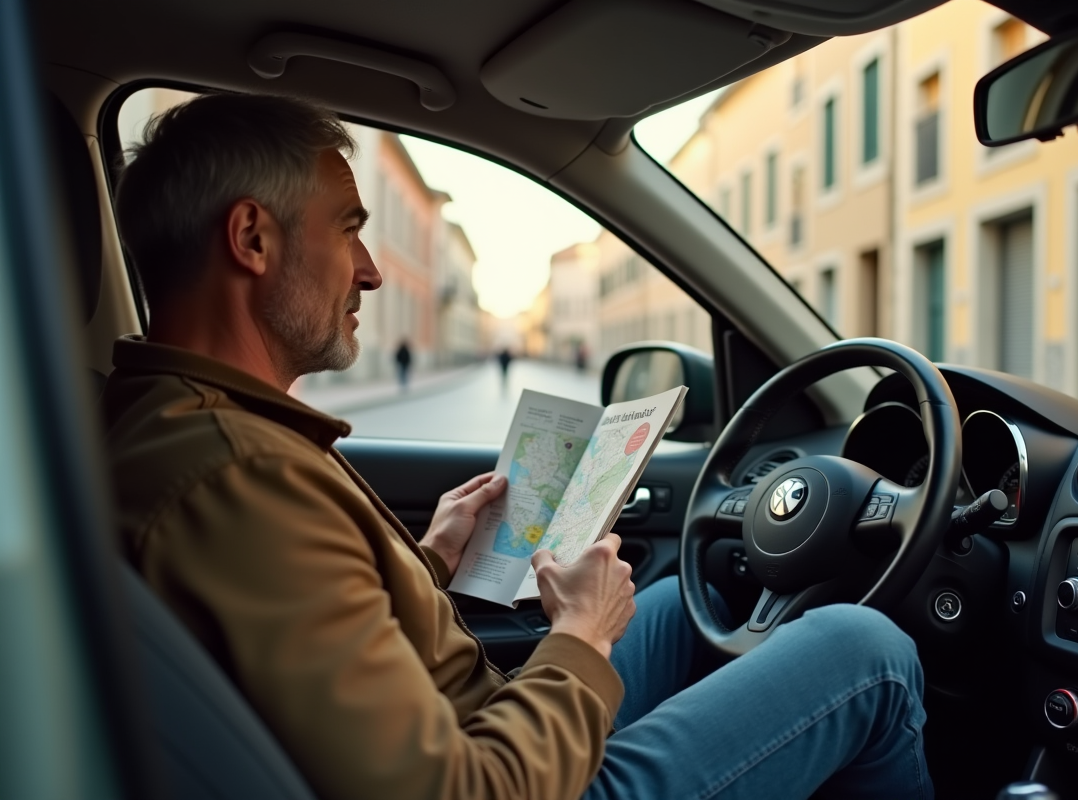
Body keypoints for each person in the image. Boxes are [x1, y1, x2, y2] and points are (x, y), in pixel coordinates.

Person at [104, 93, 932, 800]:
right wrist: (578, 635)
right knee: (870, 653)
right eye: (348, 229)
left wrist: (425, 564)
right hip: (516, 775)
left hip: (491, 725)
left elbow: (318, 647)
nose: (370, 269)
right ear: (252, 239)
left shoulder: (208, 434)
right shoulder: (238, 479)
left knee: (680, 605)